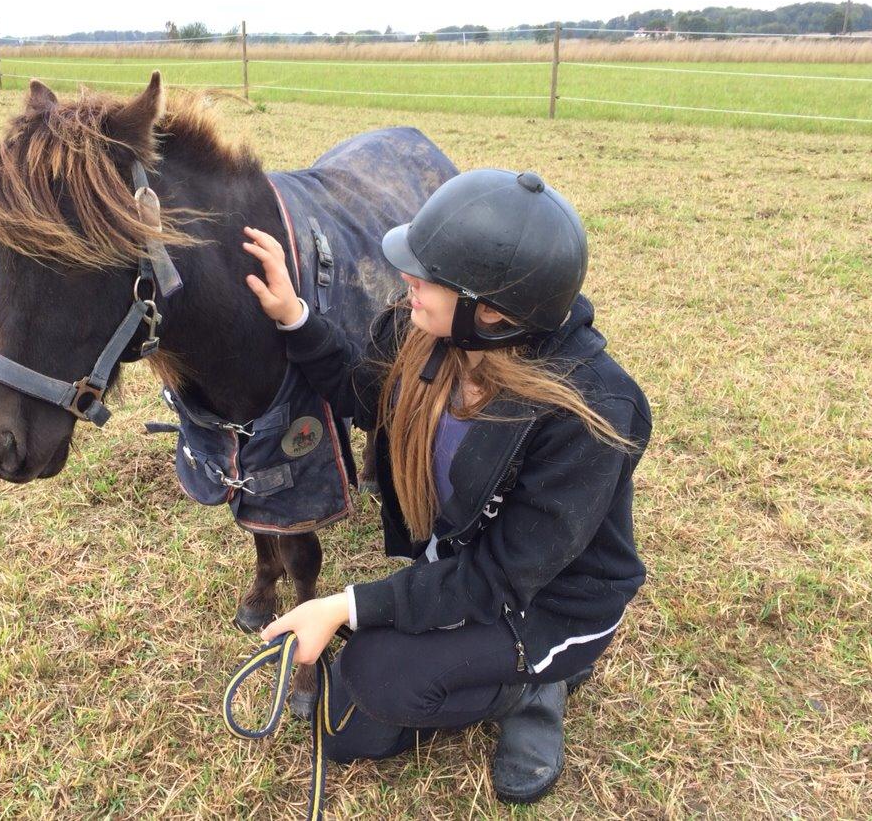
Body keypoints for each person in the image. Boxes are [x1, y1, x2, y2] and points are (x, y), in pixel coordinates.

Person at [239, 168, 652, 804]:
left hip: (545, 602)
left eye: (429, 275)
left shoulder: (588, 412)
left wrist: (345, 605)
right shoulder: (423, 336)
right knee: (356, 714)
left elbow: (500, 577)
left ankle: (538, 685)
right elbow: (363, 394)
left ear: (491, 313)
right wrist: (294, 317)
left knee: (372, 684)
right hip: (463, 565)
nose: (408, 280)